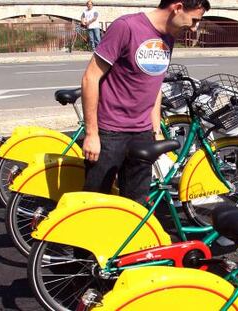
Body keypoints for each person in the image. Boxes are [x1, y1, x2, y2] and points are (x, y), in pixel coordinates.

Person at [81, 0, 211, 203]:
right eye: (194, 20)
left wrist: (155, 130)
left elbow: (154, 84)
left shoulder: (168, 37)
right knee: (93, 204)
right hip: (110, 132)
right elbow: (91, 77)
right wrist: (92, 133)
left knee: (136, 206)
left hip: (141, 134)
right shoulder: (126, 27)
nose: (194, 28)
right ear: (177, 7)